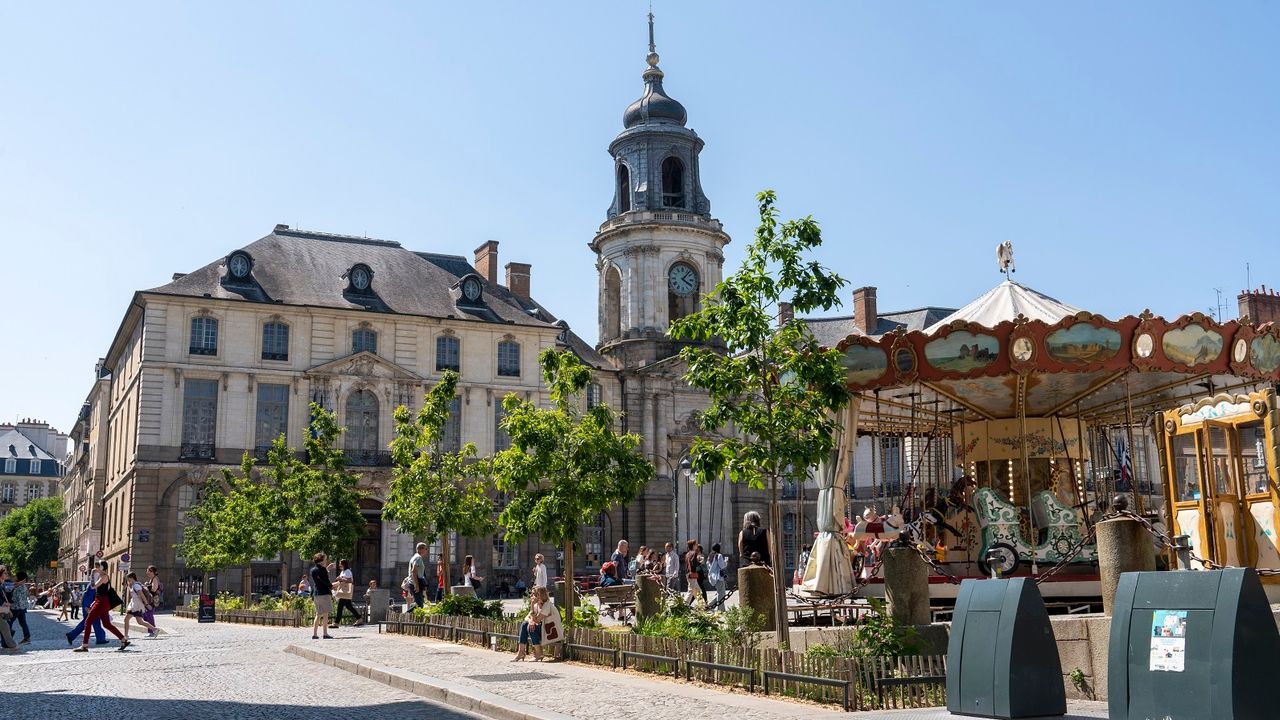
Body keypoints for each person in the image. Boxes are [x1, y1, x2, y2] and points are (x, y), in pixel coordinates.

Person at [74, 561, 127, 652]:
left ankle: (85, 645)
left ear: (102, 567)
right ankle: (123, 640)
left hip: (102, 602)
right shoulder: (102, 576)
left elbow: (93, 586)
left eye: (98, 566)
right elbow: (99, 592)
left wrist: (92, 575)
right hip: (101, 601)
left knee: (88, 621)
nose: (96, 568)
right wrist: (94, 602)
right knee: (107, 624)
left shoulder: (104, 577)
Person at [512, 586, 549, 662]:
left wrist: (532, 605)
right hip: (543, 629)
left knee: (531, 626)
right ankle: (521, 652)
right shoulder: (537, 606)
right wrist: (531, 621)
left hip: (549, 631)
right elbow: (527, 618)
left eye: (533, 594)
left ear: (539, 595)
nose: (531, 596)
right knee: (525, 624)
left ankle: (539, 653)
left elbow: (537, 620)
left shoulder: (547, 605)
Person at [122, 572, 158, 640]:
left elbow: (142, 595)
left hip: (136, 605)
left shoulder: (136, 586)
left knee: (126, 619)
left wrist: (147, 604)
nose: (128, 580)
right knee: (140, 622)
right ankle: (154, 629)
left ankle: (126, 635)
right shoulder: (134, 585)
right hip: (135, 604)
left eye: (129, 579)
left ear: (132, 578)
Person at [332, 559, 364, 627]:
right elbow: (340, 582)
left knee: (340, 606)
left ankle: (336, 623)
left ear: (344, 564)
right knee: (349, 606)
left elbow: (350, 580)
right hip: (343, 591)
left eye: (340, 564)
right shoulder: (342, 572)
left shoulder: (348, 571)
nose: (339, 565)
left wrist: (341, 579)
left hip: (345, 591)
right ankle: (359, 618)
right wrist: (332, 585)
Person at [309, 553, 334, 640]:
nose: (326, 560)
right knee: (325, 614)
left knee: (318, 614)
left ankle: (315, 634)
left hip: (316, 593)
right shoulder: (323, 569)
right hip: (324, 593)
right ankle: (325, 633)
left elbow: (320, 577)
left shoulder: (312, 570)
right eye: (325, 559)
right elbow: (326, 581)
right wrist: (335, 584)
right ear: (322, 560)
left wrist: (327, 569)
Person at [8, 571, 31, 644]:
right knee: (23, 623)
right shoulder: (24, 586)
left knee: (9, 622)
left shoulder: (18, 588)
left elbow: (17, 598)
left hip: (16, 607)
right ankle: (27, 638)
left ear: (19, 578)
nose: (15, 577)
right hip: (22, 607)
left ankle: (8, 638)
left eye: (16, 576)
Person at [706, 543, 728, 611]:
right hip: (718, 577)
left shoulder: (710, 556)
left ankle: (710, 605)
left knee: (720, 593)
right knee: (721, 593)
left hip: (712, 577)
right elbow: (722, 566)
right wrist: (726, 561)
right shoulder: (719, 555)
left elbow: (708, 566)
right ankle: (720, 609)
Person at [141, 566, 163, 635]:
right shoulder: (151, 579)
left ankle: (152, 631)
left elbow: (154, 589)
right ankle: (153, 630)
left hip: (152, 599)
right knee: (145, 615)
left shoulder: (155, 579)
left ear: (152, 572)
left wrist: (146, 587)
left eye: (148, 571)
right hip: (150, 599)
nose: (147, 572)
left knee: (149, 615)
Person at [408, 543, 429, 608]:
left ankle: (411, 617)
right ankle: (406, 615)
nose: (427, 550)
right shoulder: (418, 558)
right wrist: (416, 585)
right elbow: (414, 570)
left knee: (417, 603)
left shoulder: (414, 556)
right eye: (426, 549)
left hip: (413, 582)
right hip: (416, 583)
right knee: (419, 604)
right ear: (421, 549)